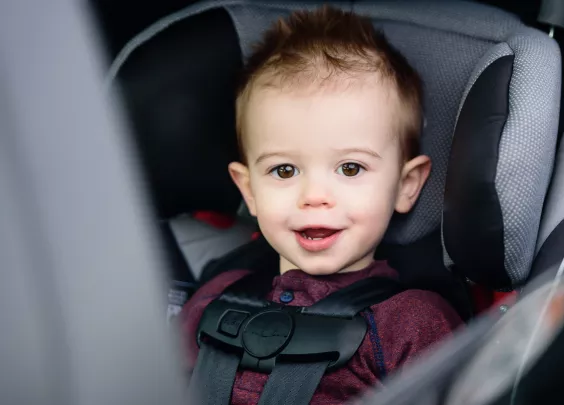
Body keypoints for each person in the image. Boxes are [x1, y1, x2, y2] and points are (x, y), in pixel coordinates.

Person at [180, 5, 462, 404]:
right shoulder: (214, 302)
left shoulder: (411, 324)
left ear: (405, 185)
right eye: (283, 171)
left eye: (350, 167)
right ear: (249, 191)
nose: (314, 196)